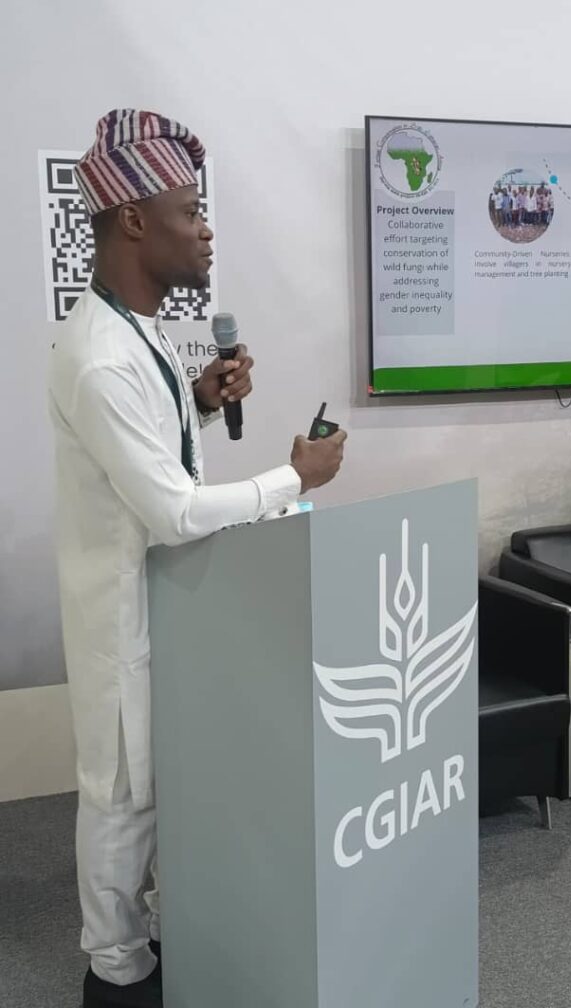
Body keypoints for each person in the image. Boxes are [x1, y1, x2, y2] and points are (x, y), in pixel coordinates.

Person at [48, 109, 347, 1008]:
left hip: (167, 605)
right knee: (121, 799)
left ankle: (152, 945)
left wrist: (201, 402)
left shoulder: (135, 329)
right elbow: (174, 509)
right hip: (122, 619)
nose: (206, 229)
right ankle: (116, 975)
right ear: (134, 220)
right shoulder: (101, 356)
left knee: (157, 791)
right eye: (191, 212)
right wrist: (293, 479)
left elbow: (150, 455)